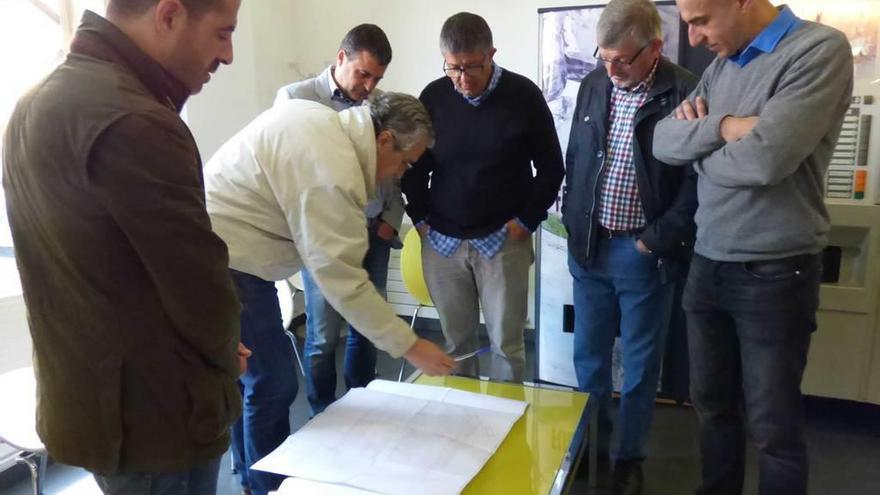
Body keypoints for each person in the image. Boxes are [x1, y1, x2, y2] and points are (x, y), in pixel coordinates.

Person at [2, 1, 247, 494]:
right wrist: (224, 354)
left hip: (86, 399)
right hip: (158, 418)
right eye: (222, 33)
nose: (229, 55)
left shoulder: (33, 103)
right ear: (169, 15)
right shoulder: (137, 119)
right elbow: (198, 285)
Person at [205, 92, 454, 495]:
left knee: (248, 377)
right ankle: (267, 487)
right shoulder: (334, 168)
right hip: (228, 257)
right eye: (405, 163)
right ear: (385, 139)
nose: (398, 175)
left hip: (227, 249)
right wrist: (410, 346)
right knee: (274, 383)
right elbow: (342, 280)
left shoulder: (323, 123)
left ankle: (249, 474)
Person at [653, 1, 853, 493]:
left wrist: (698, 156)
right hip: (708, 259)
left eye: (700, 21)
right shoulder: (723, 66)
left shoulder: (817, 51)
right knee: (712, 408)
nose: (694, 39)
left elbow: (765, 161)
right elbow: (662, 141)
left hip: (776, 270)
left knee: (773, 427)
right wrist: (723, 128)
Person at [562, 1, 698, 493]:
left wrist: (654, 241)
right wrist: (569, 213)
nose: (611, 70)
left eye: (622, 59)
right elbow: (577, 155)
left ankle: (628, 455)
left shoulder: (685, 88)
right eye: (604, 58)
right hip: (590, 246)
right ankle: (593, 445)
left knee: (640, 367)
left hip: (643, 252)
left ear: (655, 48)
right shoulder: (595, 84)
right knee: (589, 359)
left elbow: (696, 182)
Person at [402, 12, 564, 383]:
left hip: (504, 240)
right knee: (456, 347)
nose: (462, 79)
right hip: (442, 241)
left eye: (472, 67)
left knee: (507, 347)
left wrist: (526, 222)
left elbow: (551, 167)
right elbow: (413, 165)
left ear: (491, 54)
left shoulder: (523, 96)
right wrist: (420, 218)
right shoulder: (434, 96)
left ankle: (505, 430)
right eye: (453, 68)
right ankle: (463, 432)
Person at [273, 24, 405, 416]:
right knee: (324, 333)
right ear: (341, 57)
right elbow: (286, 170)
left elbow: (396, 172)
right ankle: (322, 416)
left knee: (367, 327)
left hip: (373, 231)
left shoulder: (380, 107)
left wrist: (391, 220)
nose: (368, 86)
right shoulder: (296, 99)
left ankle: (361, 408)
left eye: (377, 78)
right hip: (323, 238)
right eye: (363, 74)